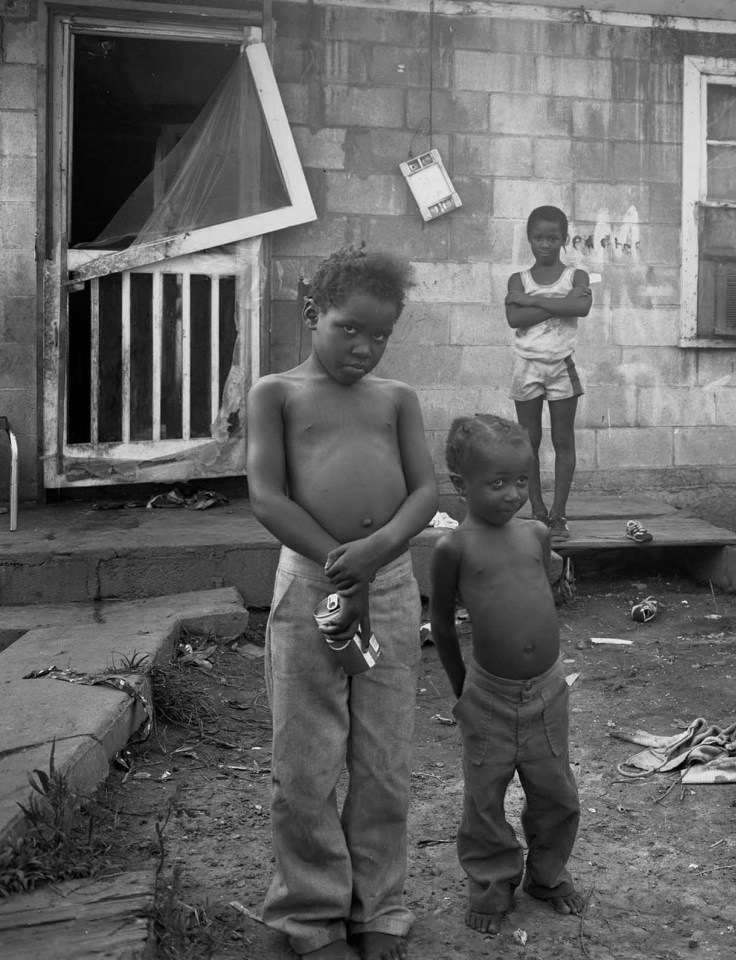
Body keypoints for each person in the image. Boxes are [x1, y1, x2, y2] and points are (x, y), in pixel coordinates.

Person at [247, 247, 438, 960]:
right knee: (305, 758)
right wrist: (337, 563)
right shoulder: (277, 393)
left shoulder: (396, 399)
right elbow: (266, 494)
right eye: (349, 329)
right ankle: (309, 916)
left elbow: (425, 492)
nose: (364, 347)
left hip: (386, 589)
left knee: (385, 757)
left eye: (380, 335)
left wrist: (379, 549)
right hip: (313, 591)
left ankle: (378, 909)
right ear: (311, 315)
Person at [428, 413, 585, 934]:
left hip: (547, 690)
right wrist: (462, 689)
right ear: (460, 485)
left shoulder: (537, 534)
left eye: (522, 481)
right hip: (487, 693)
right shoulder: (453, 548)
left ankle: (546, 873)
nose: (512, 493)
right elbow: (443, 626)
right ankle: (493, 884)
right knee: (484, 796)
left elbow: (538, 596)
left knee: (556, 791)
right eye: (497, 483)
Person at [506, 205, 593, 542]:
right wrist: (558, 303)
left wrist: (529, 303)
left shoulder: (576, 277)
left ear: (563, 240)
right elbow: (514, 320)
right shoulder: (518, 279)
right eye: (538, 238)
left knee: (562, 440)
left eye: (552, 238)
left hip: (561, 366)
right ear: (529, 239)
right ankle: (538, 512)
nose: (545, 244)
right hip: (526, 366)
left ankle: (559, 516)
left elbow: (581, 307)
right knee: (529, 442)